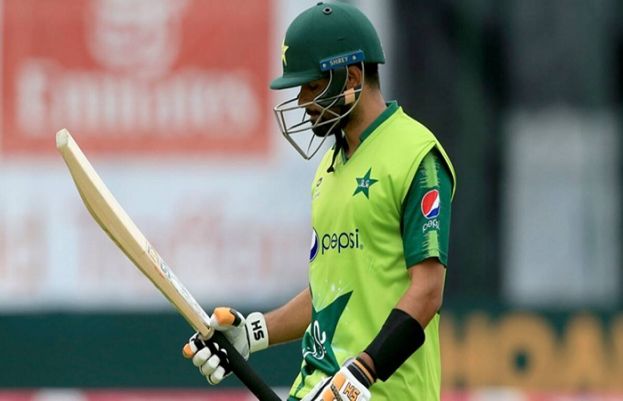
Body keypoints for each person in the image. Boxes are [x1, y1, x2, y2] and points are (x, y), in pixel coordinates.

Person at [183, 2, 456, 400]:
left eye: (311, 86)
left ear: (352, 77)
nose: (302, 101)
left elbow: (428, 291)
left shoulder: (416, 155)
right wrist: (253, 333)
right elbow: (326, 293)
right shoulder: (329, 168)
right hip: (315, 386)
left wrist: (361, 373)